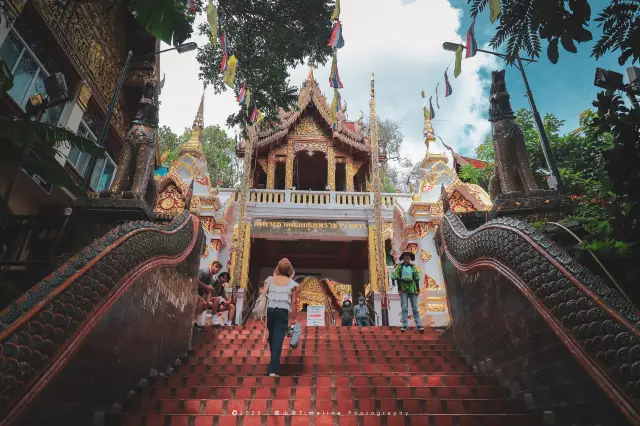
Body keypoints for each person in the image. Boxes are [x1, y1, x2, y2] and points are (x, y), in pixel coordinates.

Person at [264, 258, 299, 377]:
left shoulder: (269, 280)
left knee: (273, 337)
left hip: (269, 311)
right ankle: (273, 369)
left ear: (277, 269)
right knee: (277, 340)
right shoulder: (292, 284)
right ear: (290, 270)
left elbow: (264, 294)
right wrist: (294, 318)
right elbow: (294, 302)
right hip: (282, 312)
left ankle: (274, 364)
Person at [392, 251, 424, 332]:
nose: (407, 257)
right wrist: (399, 289)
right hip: (403, 288)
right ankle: (405, 325)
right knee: (404, 308)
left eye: (408, 256)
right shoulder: (399, 267)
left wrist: (417, 289)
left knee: (415, 308)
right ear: (403, 258)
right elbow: (397, 278)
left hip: (412, 288)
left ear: (410, 258)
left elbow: (416, 279)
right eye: (405, 256)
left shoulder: (413, 267)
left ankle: (418, 325)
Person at [194, 261, 222, 329]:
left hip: (201, 295)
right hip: (193, 291)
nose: (217, 269)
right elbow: (195, 280)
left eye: (219, 269)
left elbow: (209, 291)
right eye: (216, 267)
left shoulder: (212, 279)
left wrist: (207, 301)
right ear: (211, 266)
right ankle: (195, 322)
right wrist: (206, 287)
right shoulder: (204, 271)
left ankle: (213, 320)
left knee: (216, 299)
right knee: (201, 301)